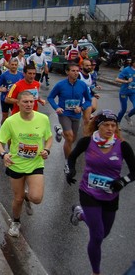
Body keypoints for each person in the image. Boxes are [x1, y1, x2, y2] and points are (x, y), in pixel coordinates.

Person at [66, 110, 135, 275]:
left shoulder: (122, 146)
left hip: (111, 195)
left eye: (113, 125)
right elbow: (72, 156)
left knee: (104, 233)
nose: (110, 128)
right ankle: (96, 272)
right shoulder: (87, 142)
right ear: (98, 125)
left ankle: (81, 214)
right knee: (97, 236)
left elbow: (134, 172)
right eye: (106, 125)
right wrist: (72, 170)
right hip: (88, 192)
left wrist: (122, 182)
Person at [0, 91, 53, 237]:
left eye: (31, 101)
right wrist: (4, 154)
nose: (29, 104)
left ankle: (29, 197)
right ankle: (16, 222)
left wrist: (46, 149)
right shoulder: (10, 121)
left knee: (37, 198)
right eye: (25, 102)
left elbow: (49, 137)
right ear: (18, 103)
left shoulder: (43, 119)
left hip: (35, 163)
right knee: (18, 198)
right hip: (16, 164)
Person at [48, 62, 92, 172]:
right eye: (73, 71)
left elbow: (88, 100)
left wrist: (81, 108)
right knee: (69, 136)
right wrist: (57, 107)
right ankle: (68, 162)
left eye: (77, 71)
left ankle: (59, 132)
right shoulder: (60, 85)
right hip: (64, 114)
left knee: (71, 140)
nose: (76, 73)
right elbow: (50, 97)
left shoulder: (82, 85)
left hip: (76, 115)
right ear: (67, 72)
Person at [0, 57, 23, 125]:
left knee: (15, 117)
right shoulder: (4, 75)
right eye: (12, 64)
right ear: (9, 65)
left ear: (17, 65)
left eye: (15, 65)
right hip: (5, 99)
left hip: (15, 99)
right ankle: (3, 130)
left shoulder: (21, 75)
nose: (14, 66)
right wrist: (1, 89)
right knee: (5, 117)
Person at [115, 57, 135, 125]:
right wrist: (126, 81)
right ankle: (118, 122)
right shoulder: (127, 69)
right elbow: (117, 79)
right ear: (133, 62)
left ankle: (128, 116)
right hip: (124, 92)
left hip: (133, 92)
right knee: (124, 109)